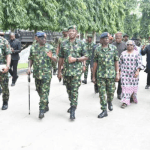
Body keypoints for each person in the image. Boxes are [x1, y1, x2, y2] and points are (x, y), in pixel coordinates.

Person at [58, 25, 88, 120]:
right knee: (68, 89)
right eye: (69, 31)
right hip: (66, 71)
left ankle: (73, 110)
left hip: (76, 71)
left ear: (76, 33)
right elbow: (61, 58)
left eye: (73, 31)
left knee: (74, 90)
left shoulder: (81, 43)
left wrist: (76, 59)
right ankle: (72, 104)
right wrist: (59, 71)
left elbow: (86, 56)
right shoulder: (63, 44)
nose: (71, 32)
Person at [27, 32, 57, 119]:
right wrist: (29, 67)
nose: (44, 40)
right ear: (37, 39)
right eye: (42, 38)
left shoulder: (50, 47)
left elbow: (56, 60)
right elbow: (31, 58)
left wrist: (52, 57)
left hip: (46, 74)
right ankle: (45, 103)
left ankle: (41, 110)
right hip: (37, 74)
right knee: (39, 90)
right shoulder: (33, 48)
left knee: (44, 92)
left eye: (45, 38)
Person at [92, 32, 119, 118]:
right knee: (102, 93)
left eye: (108, 38)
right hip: (100, 75)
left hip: (111, 75)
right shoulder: (97, 49)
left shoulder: (113, 48)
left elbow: (116, 61)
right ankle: (104, 110)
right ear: (101, 40)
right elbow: (95, 63)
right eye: (105, 38)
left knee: (111, 92)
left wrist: (117, 73)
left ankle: (110, 101)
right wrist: (93, 76)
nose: (107, 39)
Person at [119, 40, 144, 108]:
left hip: (133, 74)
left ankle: (132, 97)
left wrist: (138, 71)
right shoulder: (123, 53)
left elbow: (139, 63)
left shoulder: (136, 53)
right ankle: (125, 102)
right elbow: (120, 63)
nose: (129, 46)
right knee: (125, 87)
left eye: (131, 45)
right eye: (128, 45)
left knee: (132, 87)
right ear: (126, 46)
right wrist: (119, 71)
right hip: (124, 73)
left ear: (134, 46)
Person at [112, 32, 126, 100]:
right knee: (112, 79)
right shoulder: (112, 44)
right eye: (116, 38)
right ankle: (111, 92)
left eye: (119, 38)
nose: (117, 39)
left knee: (120, 80)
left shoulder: (124, 45)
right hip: (112, 64)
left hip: (121, 65)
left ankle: (119, 93)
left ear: (121, 38)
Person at [0, 35, 11, 110]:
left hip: (2, 68)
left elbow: (8, 54)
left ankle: (5, 102)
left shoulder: (4, 41)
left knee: (4, 87)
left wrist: (7, 66)